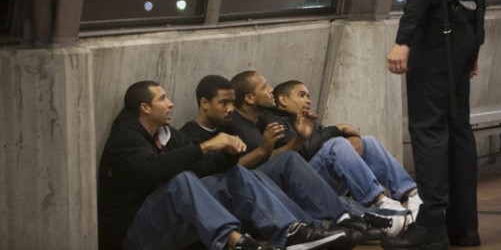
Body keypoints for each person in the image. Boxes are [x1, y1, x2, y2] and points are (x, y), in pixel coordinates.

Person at [97, 80, 347, 250]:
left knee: (235, 172)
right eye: (163, 98)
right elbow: (151, 170)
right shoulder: (125, 139)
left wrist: (227, 154)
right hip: (134, 234)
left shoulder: (167, 134)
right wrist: (205, 147)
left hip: (169, 222)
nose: (171, 103)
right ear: (145, 107)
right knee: (181, 180)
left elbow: (202, 168)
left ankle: (295, 231)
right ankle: (237, 243)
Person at [381, 0, 486, 249]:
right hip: (463, 33)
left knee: (427, 128)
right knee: (458, 128)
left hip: (436, 34)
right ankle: (464, 227)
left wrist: (403, 40)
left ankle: (431, 226)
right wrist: (473, 49)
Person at [181, 74, 397, 244]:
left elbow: (263, 162)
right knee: (312, 159)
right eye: (224, 103)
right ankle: (334, 221)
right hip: (232, 203)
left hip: (262, 190)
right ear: (205, 103)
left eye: (232, 103)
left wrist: (297, 140)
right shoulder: (191, 135)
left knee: (328, 188)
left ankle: (383, 216)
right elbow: (218, 178)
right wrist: (264, 150)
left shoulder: (232, 127)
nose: (230, 108)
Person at [263, 79, 422, 221]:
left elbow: (322, 139)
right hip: (299, 189)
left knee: (367, 142)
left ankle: (411, 193)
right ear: (283, 99)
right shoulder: (272, 120)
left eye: (309, 96)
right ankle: (379, 201)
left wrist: (348, 137)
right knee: (336, 146)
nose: (308, 100)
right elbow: (304, 151)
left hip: (320, 180)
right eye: (302, 95)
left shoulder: (305, 119)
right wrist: (339, 129)